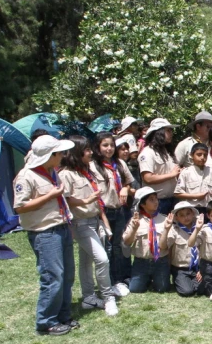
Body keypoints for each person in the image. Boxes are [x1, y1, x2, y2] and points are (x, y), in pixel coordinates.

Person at [14, 136, 77, 335]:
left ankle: (63, 315)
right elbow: (20, 207)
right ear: (50, 155)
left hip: (61, 227)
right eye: (59, 153)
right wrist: (50, 195)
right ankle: (46, 321)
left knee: (67, 275)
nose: (63, 156)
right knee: (53, 277)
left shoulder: (51, 172)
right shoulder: (27, 176)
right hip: (45, 232)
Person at [58, 135, 116, 316]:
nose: (91, 152)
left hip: (94, 220)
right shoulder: (66, 174)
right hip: (81, 223)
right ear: (77, 152)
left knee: (86, 261)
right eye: (87, 150)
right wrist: (85, 200)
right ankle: (108, 298)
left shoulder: (85, 171)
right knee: (102, 259)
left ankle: (89, 298)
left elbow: (97, 202)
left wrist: (104, 221)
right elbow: (65, 200)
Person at [90, 131, 134, 296]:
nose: (109, 149)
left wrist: (124, 187)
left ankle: (121, 278)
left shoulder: (120, 163)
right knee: (106, 246)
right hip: (103, 211)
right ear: (98, 147)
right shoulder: (93, 166)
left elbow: (129, 184)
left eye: (111, 145)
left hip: (120, 209)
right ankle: (109, 281)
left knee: (120, 245)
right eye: (105, 145)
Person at [123, 187, 172, 293]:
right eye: (151, 199)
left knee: (162, 288)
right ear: (142, 204)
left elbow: (163, 247)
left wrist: (167, 229)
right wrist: (134, 229)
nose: (156, 202)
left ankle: (154, 278)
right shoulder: (135, 220)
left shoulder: (165, 220)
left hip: (160, 261)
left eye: (156, 198)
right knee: (135, 289)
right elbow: (127, 242)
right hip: (141, 261)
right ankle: (143, 279)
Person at [138, 118, 180, 215]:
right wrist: (171, 175)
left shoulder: (167, 152)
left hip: (172, 199)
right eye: (168, 130)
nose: (171, 133)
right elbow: (147, 178)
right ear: (159, 133)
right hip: (158, 202)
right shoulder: (148, 153)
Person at [174, 143, 212, 213]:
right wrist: (196, 196)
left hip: (210, 209)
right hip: (192, 209)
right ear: (192, 155)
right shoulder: (186, 172)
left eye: (205, 155)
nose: (202, 157)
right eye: (199, 154)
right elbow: (178, 193)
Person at [166, 201, 202, 297]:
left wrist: (202, 270)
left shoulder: (200, 228)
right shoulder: (174, 230)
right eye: (181, 215)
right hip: (180, 268)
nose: (186, 217)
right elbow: (167, 249)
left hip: (197, 268)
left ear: (193, 214)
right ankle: (181, 281)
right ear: (176, 217)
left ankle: (192, 283)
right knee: (186, 291)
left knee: (202, 289)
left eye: (188, 214)